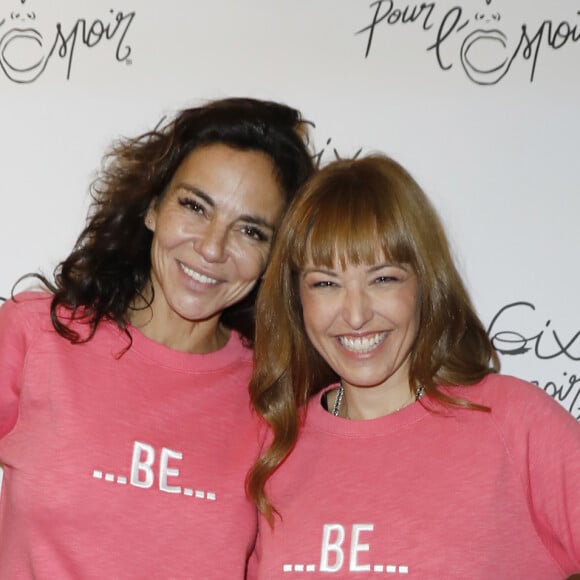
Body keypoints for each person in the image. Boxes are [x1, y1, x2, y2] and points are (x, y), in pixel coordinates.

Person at [0, 97, 315, 578]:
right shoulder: (36, 336)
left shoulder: (275, 397)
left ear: (274, 258)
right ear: (152, 207)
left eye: (250, 231)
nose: (212, 247)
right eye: (194, 206)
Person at [246, 154, 580, 579]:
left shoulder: (510, 422)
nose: (355, 314)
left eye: (383, 279)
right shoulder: (278, 449)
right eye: (326, 283)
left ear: (424, 283)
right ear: (297, 299)